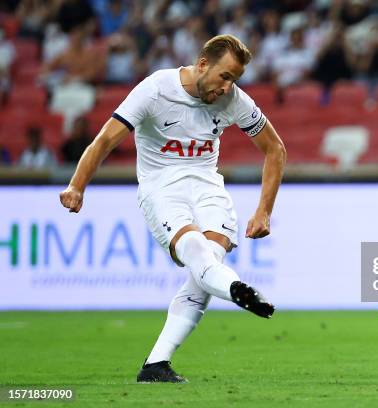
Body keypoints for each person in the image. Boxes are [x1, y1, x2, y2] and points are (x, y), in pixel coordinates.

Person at [59, 34, 287, 383]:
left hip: (208, 187)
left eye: (235, 80)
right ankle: (239, 289)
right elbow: (106, 138)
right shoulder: (156, 89)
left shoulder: (234, 101)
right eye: (224, 76)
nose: (228, 88)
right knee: (199, 255)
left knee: (204, 268)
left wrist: (264, 210)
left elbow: (275, 149)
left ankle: (155, 365)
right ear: (202, 65)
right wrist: (77, 185)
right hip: (162, 188)